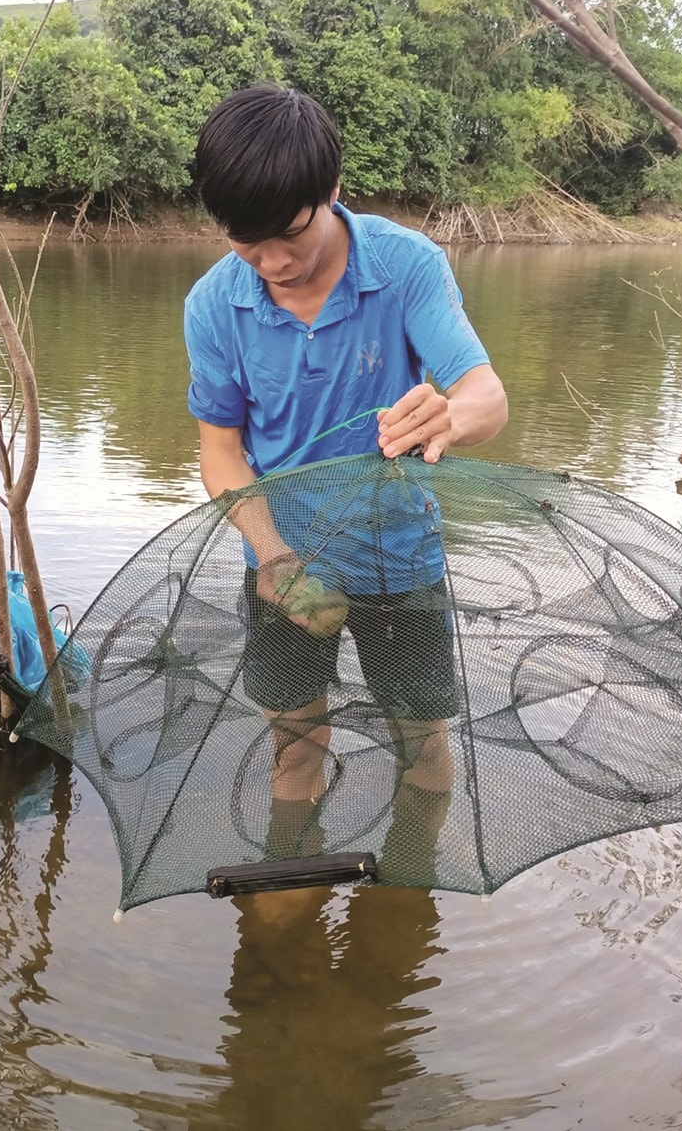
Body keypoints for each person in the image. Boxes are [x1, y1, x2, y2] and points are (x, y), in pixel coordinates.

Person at [183, 82, 508, 877]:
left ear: (330, 192)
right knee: (292, 750)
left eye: (287, 234)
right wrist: (273, 556)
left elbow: (485, 396)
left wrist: (446, 416)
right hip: (281, 566)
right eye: (243, 241)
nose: (271, 263)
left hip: (400, 557)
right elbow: (219, 453)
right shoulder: (215, 305)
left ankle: (407, 891)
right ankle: (289, 902)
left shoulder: (403, 267)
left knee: (421, 740)